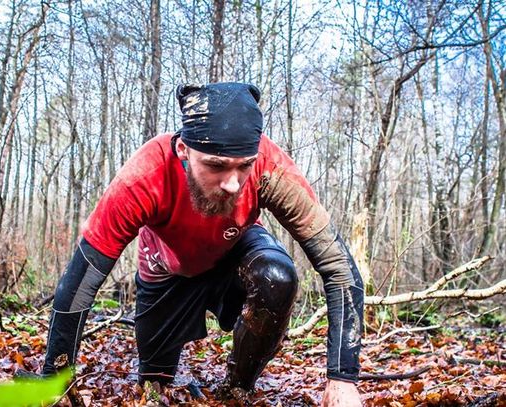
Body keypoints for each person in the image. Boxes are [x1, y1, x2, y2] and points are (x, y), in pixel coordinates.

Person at [42, 82, 364, 406]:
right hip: (167, 271)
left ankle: (236, 388)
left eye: (244, 166)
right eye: (216, 165)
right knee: (155, 387)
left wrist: (343, 378)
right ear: (183, 150)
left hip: (235, 248)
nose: (232, 183)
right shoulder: (146, 174)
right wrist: (54, 380)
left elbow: (337, 265)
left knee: (276, 277)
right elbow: (82, 279)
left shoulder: (268, 165)